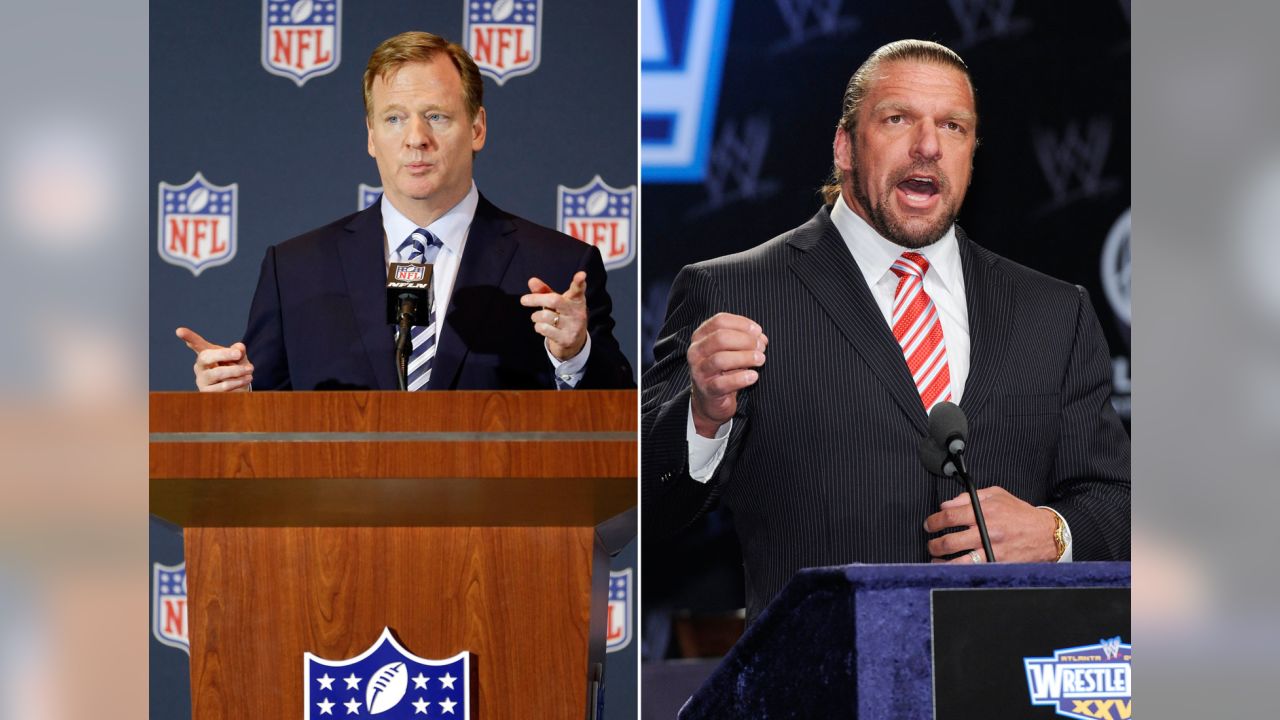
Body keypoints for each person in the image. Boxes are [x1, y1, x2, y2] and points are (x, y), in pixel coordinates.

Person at [641, 40, 1130, 623]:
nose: (927, 147)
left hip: (1004, 679)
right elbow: (646, 505)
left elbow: (1117, 502)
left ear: (972, 153)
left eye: (952, 126)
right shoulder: (734, 294)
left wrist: (1054, 533)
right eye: (898, 119)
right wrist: (701, 415)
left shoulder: (1053, 311)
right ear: (845, 146)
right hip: (824, 686)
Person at [176, 31, 633, 391]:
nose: (416, 138)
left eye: (436, 115)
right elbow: (264, 419)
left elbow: (615, 427)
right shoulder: (294, 269)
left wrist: (575, 353)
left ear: (476, 128)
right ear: (371, 137)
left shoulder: (556, 266)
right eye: (394, 118)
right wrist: (235, 398)